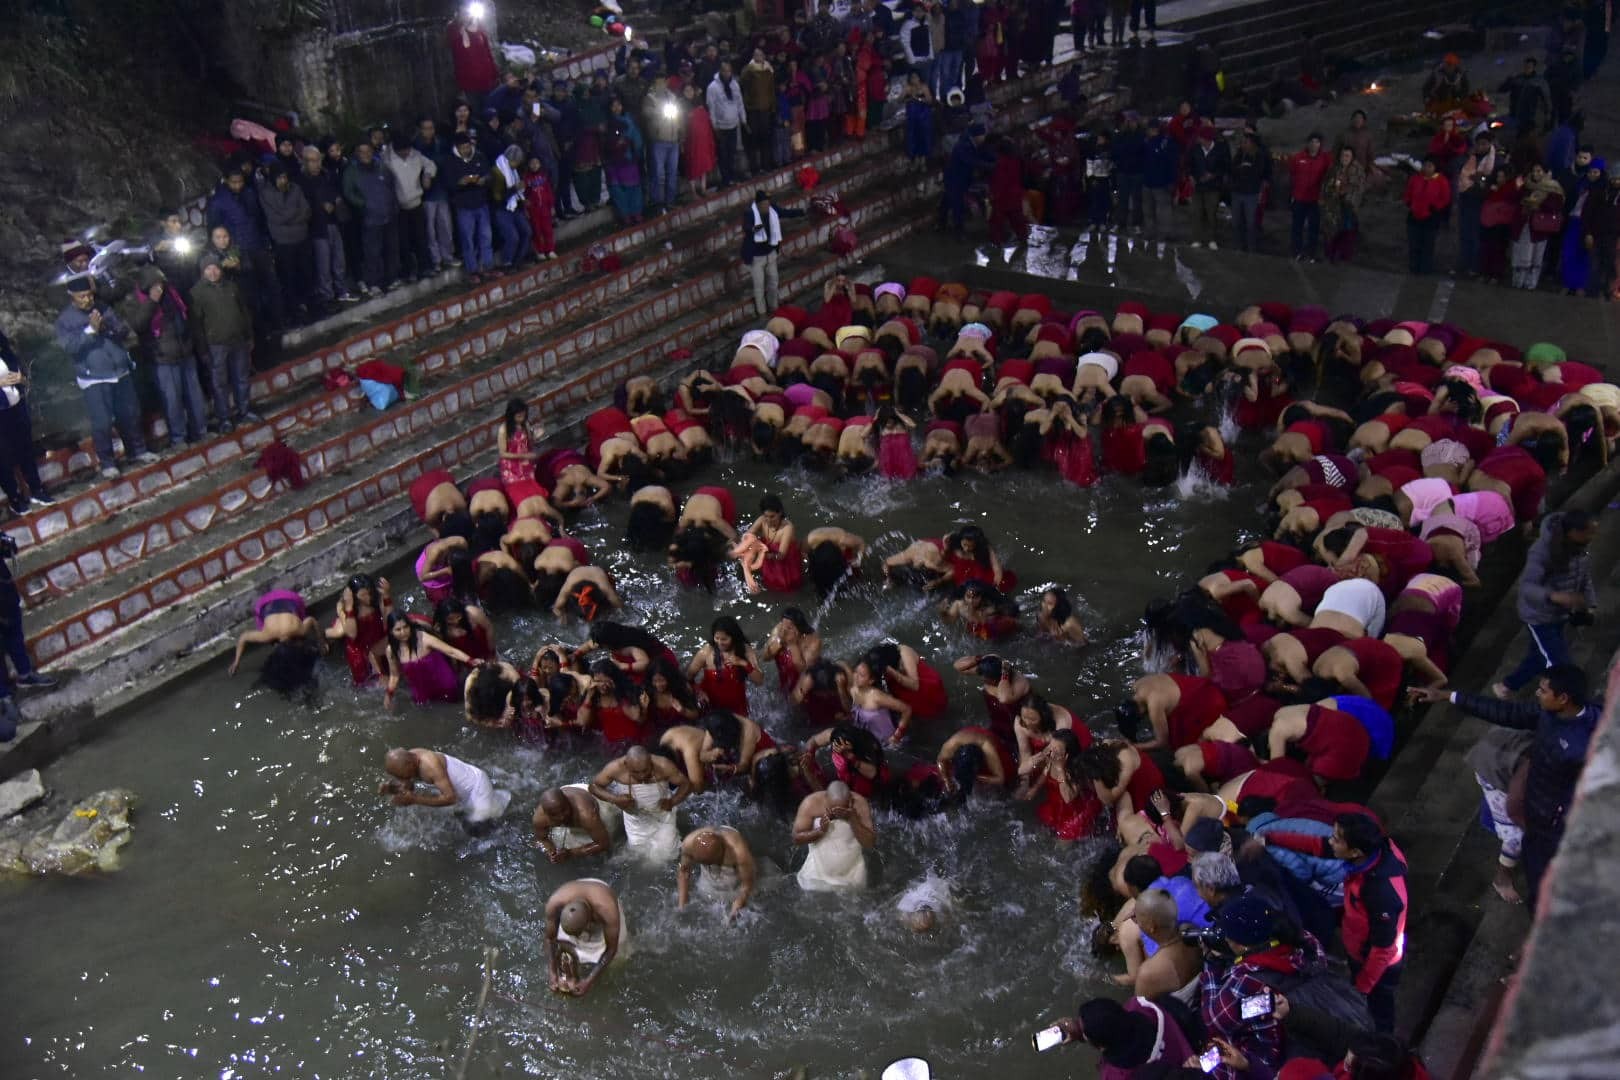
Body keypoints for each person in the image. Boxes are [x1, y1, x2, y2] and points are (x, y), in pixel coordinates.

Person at [1413, 664, 1599, 911]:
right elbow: (1507, 712)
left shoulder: (1580, 747)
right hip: (1535, 804)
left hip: (1549, 814)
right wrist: (1450, 695)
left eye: (1543, 690)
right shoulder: (1553, 715)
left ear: (1563, 698)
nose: (1537, 693)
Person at [1257, 813, 1408, 1032]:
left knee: (1379, 1009)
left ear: (1355, 852)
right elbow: (1318, 846)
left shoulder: (1380, 892)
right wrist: (1270, 839)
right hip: (1358, 946)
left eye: (1336, 839)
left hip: (1378, 962)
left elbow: (1383, 949)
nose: (1330, 841)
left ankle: (1384, 1043)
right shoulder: (1367, 854)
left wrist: (1362, 987)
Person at [54, 276, 158, 479]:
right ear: (72, 297)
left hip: (119, 371)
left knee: (130, 414)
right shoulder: (64, 320)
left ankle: (137, 451)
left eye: (89, 295)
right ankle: (108, 462)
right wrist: (90, 331)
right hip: (94, 378)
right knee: (101, 422)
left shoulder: (102, 307)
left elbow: (123, 329)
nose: (87, 299)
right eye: (81, 296)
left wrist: (107, 328)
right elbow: (70, 347)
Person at [1497, 510, 1597, 695]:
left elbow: (1584, 578)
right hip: (1539, 616)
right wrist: (1553, 596)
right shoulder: (1542, 551)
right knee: (1559, 662)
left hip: (1560, 615)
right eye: (1589, 532)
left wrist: (1590, 604)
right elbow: (1527, 586)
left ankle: (1507, 686)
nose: (1592, 536)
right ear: (1573, 531)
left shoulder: (1580, 550)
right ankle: (1552, 696)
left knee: (1539, 656)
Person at [130, 266, 207, 449]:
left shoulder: (173, 295)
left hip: (185, 353)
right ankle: (178, 438)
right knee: (172, 401)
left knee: (195, 397)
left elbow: (186, 317)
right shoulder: (138, 300)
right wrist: (151, 302)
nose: (159, 288)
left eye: (161, 283)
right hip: (163, 359)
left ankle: (201, 432)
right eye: (155, 284)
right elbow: (138, 325)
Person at [1047, 995, 1200, 1077]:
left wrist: (1083, 1036)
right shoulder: (1145, 1007)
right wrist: (1081, 1031)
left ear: (1101, 1046)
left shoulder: (1115, 1074)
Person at [189, 254, 259, 433]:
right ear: (203, 271)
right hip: (215, 345)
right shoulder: (197, 293)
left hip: (238, 341)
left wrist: (249, 335)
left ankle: (244, 410)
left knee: (241, 378)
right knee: (220, 384)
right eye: (208, 269)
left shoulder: (231, 286)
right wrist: (203, 350)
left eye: (215, 268)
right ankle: (224, 418)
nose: (213, 272)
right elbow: (196, 325)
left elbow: (243, 312)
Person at [588, 745, 692, 861]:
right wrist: (615, 799)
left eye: (645, 770)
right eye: (635, 772)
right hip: (634, 818)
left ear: (651, 763)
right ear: (626, 765)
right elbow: (593, 787)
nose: (642, 776)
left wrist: (673, 801)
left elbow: (686, 784)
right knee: (638, 854)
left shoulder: (663, 765)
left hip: (663, 814)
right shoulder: (615, 768)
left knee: (667, 855)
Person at [378, 746, 511, 830]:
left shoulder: (430, 765)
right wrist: (392, 788)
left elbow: (450, 798)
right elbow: (409, 786)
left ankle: (507, 821)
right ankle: (496, 804)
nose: (402, 780)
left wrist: (415, 800)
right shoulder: (410, 758)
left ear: (411, 765)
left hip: (477, 788)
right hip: (463, 792)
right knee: (461, 819)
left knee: (475, 830)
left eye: (401, 776)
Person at [544, 878, 629, 997]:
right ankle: (571, 974)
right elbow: (550, 939)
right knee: (564, 946)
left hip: (602, 894)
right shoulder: (554, 904)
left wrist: (589, 981)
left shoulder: (607, 911)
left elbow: (611, 950)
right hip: (574, 895)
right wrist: (552, 971)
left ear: (589, 923)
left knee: (618, 958)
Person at [0, 329, 52, 513]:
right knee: (3, 457)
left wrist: (21, 379)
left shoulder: (5, 349)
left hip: (16, 406)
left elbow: (24, 377)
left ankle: (36, 489)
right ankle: (14, 498)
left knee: (25, 448)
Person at [793, 779, 876, 891]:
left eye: (842, 810)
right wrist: (819, 831)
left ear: (851, 801)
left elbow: (869, 843)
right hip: (817, 874)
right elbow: (797, 839)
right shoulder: (811, 803)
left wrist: (852, 819)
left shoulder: (860, 804)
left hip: (853, 874)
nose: (837, 814)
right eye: (833, 810)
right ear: (825, 799)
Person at [260, 165, 314, 319]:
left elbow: (306, 211)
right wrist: (295, 214)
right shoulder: (265, 194)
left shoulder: (295, 188)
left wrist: (289, 217)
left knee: (307, 273)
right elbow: (275, 218)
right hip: (283, 243)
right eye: (279, 178)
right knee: (289, 277)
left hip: (302, 238)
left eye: (285, 177)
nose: (283, 181)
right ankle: (295, 309)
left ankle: (311, 305)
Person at [742, 189, 806, 318]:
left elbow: (785, 213)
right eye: (765, 203)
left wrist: (801, 212)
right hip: (756, 257)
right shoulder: (750, 214)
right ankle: (762, 313)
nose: (767, 205)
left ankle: (774, 307)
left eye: (768, 202)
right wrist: (754, 229)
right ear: (758, 204)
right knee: (759, 286)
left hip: (770, 254)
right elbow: (746, 227)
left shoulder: (773, 210)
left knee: (773, 281)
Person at [442, 133, 495, 283]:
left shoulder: (479, 156)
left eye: (467, 147)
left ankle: (487, 266)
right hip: (464, 206)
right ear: (457, 148)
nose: (466, 150)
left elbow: (489, 175)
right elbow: (448, 184)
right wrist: (460, 183)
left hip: (481, 202)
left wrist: (484, 180)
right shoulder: (450, 162)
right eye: (463, 148)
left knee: (486, 236)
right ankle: (472, 271)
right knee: (468, 239)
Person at [677, 825, 758, 919]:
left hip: (736, 867)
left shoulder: (738, 852)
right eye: (705, 864)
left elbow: (748, 883)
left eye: (711, 863)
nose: (710, 866)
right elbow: (684, 871)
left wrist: (739, 903)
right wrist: (682, 904)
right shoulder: (688, 844)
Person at [531, 785, 620, 864]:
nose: (561, 817)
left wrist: (570, 853)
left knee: (610, 840)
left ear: (568, 803)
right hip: (565, 795)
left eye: (563, 811)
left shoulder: (586, 815)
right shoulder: (540, 818)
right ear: (546, 814)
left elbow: (604, 844)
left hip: (596, 804)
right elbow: (541, 839)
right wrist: (552, 853)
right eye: (555, 815)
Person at [939, 123, 996, 237]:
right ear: (976, 136)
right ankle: (958, 231)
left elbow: (986, 155)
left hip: (964, 178)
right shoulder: (962, 147)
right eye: (983, 135)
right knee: (956, 203)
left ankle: (941, 223)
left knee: (948, 200)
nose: (984, 137)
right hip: (954, 179)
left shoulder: (976, 144)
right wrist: (993, 166)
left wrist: (995, 160)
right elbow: (973, 161)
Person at [1403, 156, 1451, 276]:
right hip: (1414, 215)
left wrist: (1435, 207)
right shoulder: (1416, 178)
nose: (1426, 168)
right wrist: (1409, 202)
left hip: (1431, 217)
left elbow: (1445, 198)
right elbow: (1408, 192)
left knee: (1427, 245)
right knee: (1414, 243)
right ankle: (1413, 268)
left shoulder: (1441, 180)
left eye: (1430, 166)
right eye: (1425, 165)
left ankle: (1425, 269)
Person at [644, 76, 685, 213]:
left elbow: (678, 114)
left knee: (672, 173)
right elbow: (647, 113)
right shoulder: (650, 98)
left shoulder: (672, 97)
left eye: (663, 81)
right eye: (659, 81)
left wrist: (679, 130)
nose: (662, 84)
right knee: (658, 174)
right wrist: (661, 112)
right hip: (659, 140)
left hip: (673, 141)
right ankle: (658, 203)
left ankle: (670, 201)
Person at [1186, 124, 1229, 249]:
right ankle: (1196, 239)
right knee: (1196, 213)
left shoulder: (1220, 150)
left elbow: (1225, 167)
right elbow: (1188, 165)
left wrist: (1213, 175)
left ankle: (1211, 239)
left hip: (1213, 188)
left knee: (1211, 214)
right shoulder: (1195, 149)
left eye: (1201, 137)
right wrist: (1191, 176)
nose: (1199, 139)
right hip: (1198, 187)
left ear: (1207, 139)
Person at [1287, 133, 1330, 261]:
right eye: (1312, 142)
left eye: (1317, 142)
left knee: (1313, 228)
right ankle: (1296, 252)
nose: (1314, 145)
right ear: (1307, 143)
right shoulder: (1298, 157)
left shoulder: (1325, 159)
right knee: (1297, 227)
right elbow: (1292, 174)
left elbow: (1328, 176)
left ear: (1320, 144)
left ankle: (1311, 253)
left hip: (1315, 200)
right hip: (1299, 198)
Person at [446, 8, 500, 109]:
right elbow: (455, 47)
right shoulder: (454, 29)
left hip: (485, 79)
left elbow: (487, 51)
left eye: (468, 13)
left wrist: (495, 73)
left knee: (489, 110)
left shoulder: (479, 29)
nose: (467, 15)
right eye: (464, 13)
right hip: (469, 81)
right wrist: (463, 30)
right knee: (476, 111)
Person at [1321, 146, 1366, 264]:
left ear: (1352, 157)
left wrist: (1346, 193)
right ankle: (1331, 253)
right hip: (1333, 206)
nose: (1344, 158)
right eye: (1343, 155)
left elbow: (1359, 188)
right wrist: (1332, 189)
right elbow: (1325, 184)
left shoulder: (1358, 170)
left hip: (1348, 206)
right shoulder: (1334, 169)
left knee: (1347, 230)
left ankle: (1344, 255)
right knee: (1332, 230)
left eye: (1347, 156)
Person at [706, 61, 745, 188]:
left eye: (729, 71)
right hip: (721, 127)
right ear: (720, 71)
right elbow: (711, 108)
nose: (727, 73)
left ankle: (732, 176)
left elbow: (739, 102)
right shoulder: (712, 87)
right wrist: (714, 126)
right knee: (723, 154)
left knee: (732, 153)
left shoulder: (734, 84)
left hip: (733, 124)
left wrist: (743, 118)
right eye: (724, 71)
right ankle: (725, 179)